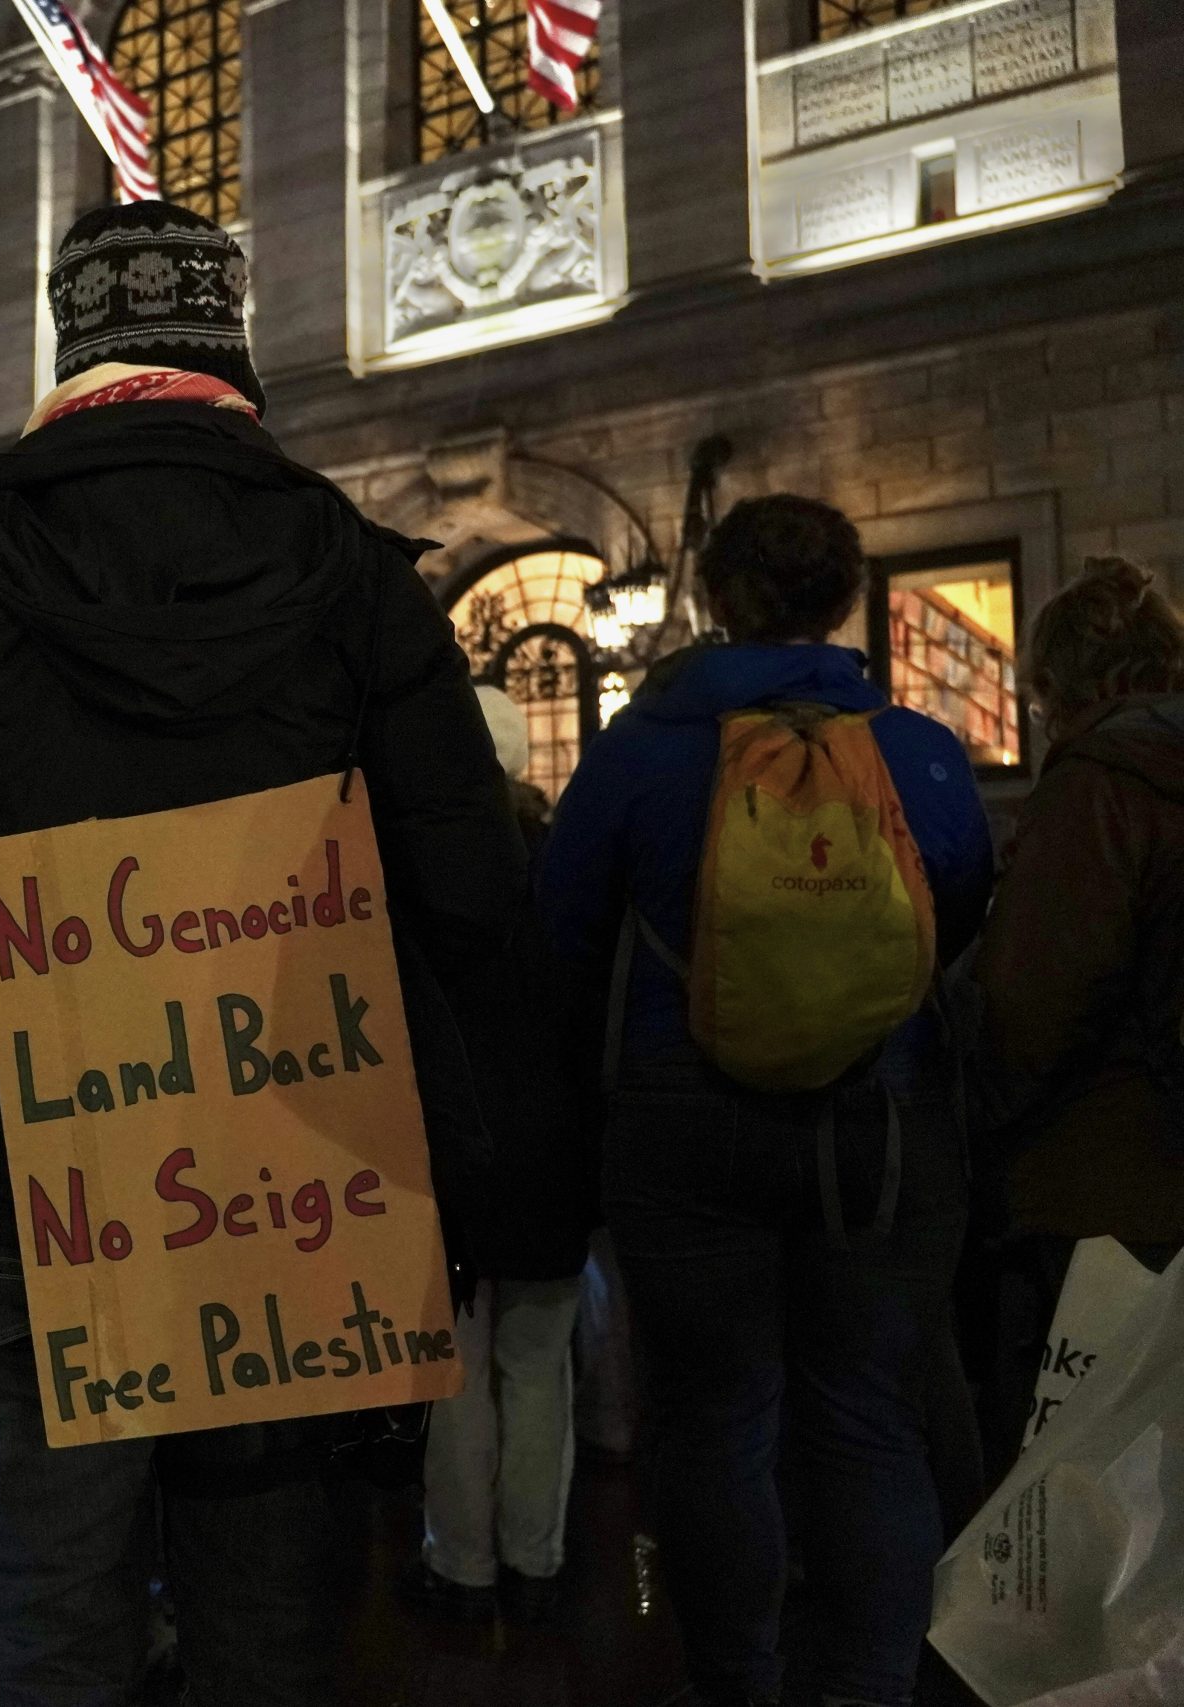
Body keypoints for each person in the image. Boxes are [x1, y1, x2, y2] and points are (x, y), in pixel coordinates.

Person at [0, 201, 527, 1707]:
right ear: (227, 352)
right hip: (290, 1159)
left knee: (53, 1609)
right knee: (265, 1616)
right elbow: (473, 887)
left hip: (21, 1169)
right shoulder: (353, 572)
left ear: (74, 354)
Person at [539, 494, 995, 1707]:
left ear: (715, 601)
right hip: (879, 1118)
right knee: (868, 1416)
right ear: (843, 601)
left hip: (681, 1117)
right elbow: (958, 912)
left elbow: (561, 928)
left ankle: (735, 1678)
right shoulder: (918, 752)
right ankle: (869, 1685)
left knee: (714, 1419)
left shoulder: (639, 750)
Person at [970, 556, 1184, 1462]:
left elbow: (1033, 1001)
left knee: (1085, 1476)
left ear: (1062, 684)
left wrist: (980, 1115)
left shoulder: (1101, 782)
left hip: (1107, 1187)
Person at [406, 687, 594, 1625]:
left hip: (444, 1152)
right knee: (537, 1364)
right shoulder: (565, 868)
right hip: (551, 1150)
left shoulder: (415, 869)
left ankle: (462, 1558)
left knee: (453, 1371)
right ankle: (535, 1554)